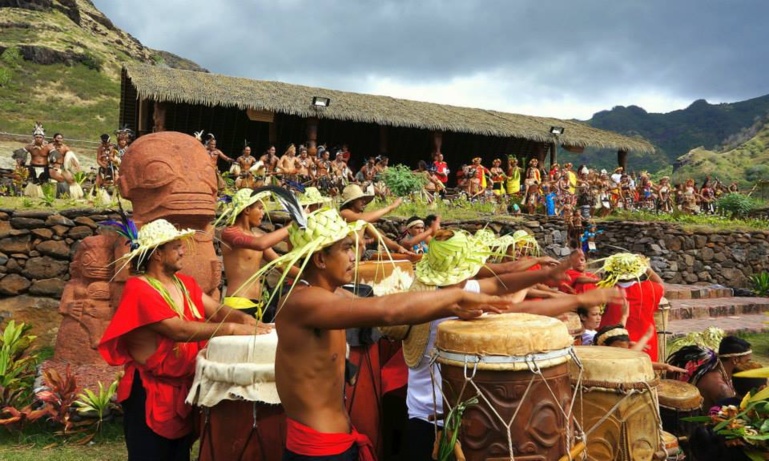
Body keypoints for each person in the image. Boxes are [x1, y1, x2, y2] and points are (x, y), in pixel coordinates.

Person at [248, 208, 512, 460]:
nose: (354, 256)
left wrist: (450, 306)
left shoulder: (332, 294)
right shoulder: (302, 302)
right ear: (319, 259)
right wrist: (454, 296)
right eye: (346, 248)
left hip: (335, 443)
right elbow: (386, 312)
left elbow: (398, 308)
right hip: (317, 451)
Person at [381, 230, 622, 460]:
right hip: (434, 424)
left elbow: (499, 284)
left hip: (440, 414)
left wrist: (543, 275)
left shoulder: (447, 288)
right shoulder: (447, 310)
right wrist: (578, 300)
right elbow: (516, 308)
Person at [98, 218, 260, 461]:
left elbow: (216, 310)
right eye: (176, 246)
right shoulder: (139, 288)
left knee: (179, 455)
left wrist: (245, 319)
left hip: (183, 389)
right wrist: (232, 329)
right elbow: (178, 330)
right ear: (157, 254)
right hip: (148, 394)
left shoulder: (185, 284)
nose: (183, 250)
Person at [216, 188, 295, 319]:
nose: (263, 213)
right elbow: (260, 244)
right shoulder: (229, 233)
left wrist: (310, 275)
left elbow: (281, 265)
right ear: (247, 210)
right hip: (238, 305)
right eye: (259, 208)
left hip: (259, 305)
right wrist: (290, 227)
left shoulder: (257, 236)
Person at [597, 253, 665, 361]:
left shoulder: (604, 290)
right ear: (637, 271)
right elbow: (661, 285)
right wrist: (647, 268)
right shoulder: (650, 288)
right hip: (645, 346)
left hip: (611, 346)